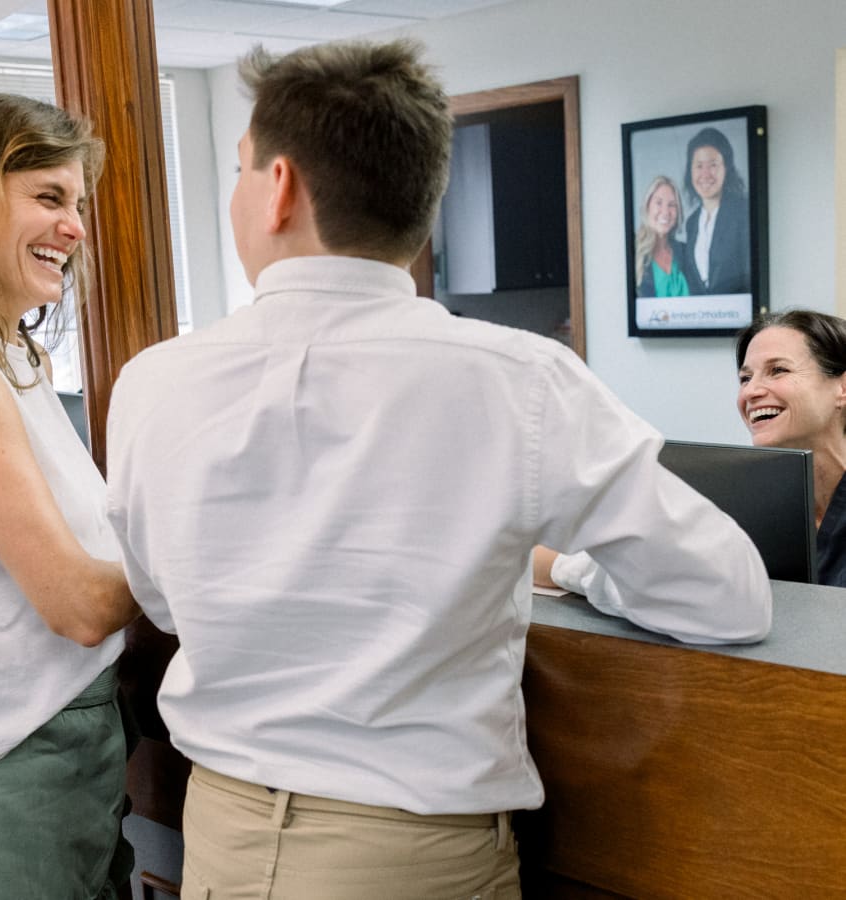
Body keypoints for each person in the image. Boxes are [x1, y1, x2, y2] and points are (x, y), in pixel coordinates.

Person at [105, 39, 771, 900]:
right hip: (412, 856)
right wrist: (566, 568)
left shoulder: (153, 382)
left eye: (238, 169)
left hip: (220, 840)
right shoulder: (519, 379)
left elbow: (163, 599)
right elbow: (728, 595)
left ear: (277, 188)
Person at [0, 94, 140, 898]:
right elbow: (77, 603)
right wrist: (214, 549)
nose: (76, 228)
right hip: (4, 765)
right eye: (49, 198)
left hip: (75, 743)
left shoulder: (12, 354)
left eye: (78, 204)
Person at [736, 309, 846, 587]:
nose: (750, 392)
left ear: (842, 389)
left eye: (778, 370)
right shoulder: (746, 508)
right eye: (745, 378)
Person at [681, 126, 751, 295]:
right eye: (698, 166)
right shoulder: (691, 222)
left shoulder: (743, 211)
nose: (705, 174)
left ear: (726, 168)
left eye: (713, 165)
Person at [635, 175, 689, 298]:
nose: (665, 212)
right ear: (647, 206)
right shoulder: (633, 252)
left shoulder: (686, 252)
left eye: (672, 205)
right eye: (658, 203)